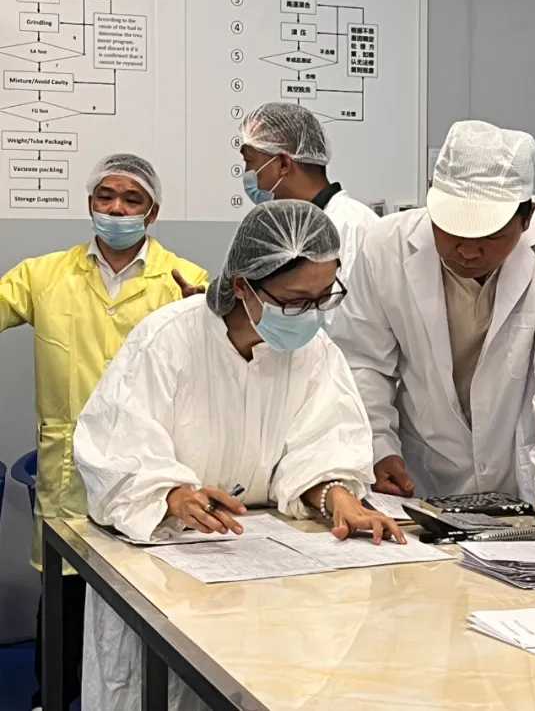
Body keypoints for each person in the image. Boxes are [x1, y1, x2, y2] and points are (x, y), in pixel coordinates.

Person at [74, 199, 403, 711]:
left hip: (269, 583)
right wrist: (172, 495)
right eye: (295, 302)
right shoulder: (168, 340)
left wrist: (336, 496)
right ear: (243, 285)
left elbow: (324, 441)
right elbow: (117, 450)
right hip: (169, 572)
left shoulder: (315, 352)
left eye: (324, 298)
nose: (312, 317)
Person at [0, 153, 208, 711]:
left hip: (150, 477)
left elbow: (227, 363)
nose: (117, 209)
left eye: (132, 199)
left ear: (152, 212)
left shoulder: (187, 281)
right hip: (70, 477)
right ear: (90, 203)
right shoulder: (44, 275)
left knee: (147, 611)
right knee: (62, 609)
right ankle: (51, 700)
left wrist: (206, 323)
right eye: (106, 197)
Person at [330, 120, 535, 530]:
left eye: (490, 237)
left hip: (533, 483)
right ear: (431, 196)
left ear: (527, 217)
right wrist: (379, 447)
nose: (468, 251)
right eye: (451, 231)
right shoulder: (385, 246)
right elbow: (364, 362)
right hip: (425, 477)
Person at [237, 101, 379, 329]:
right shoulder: (293, 229)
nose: (247, 174)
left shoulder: (351, 227)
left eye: (250, 162)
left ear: (283, 164)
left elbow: (341, 330)